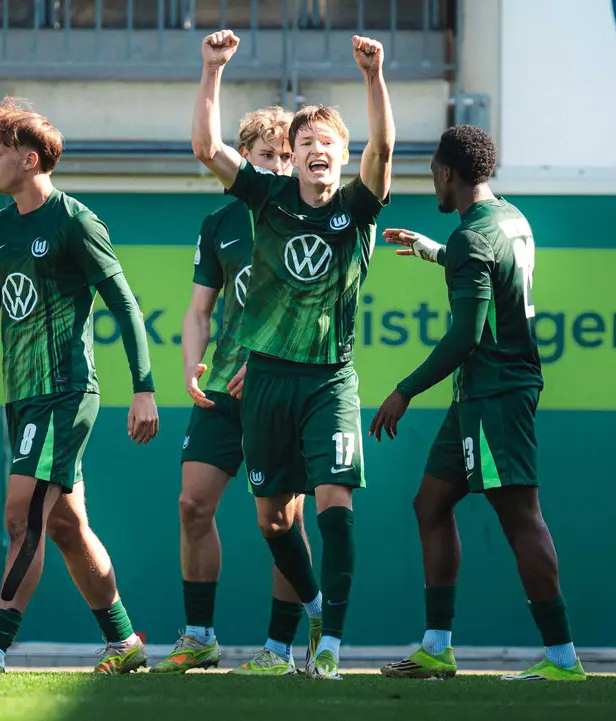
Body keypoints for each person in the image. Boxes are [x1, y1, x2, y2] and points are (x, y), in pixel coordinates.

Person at [0, 98, 159, 675]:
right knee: (66, 526)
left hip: (64, 393)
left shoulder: (74, 221)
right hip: (23, 394)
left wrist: (144, 388)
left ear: (29, 160)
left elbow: (124, 305)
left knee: (20, 517)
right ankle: (125, 643)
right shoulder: (0, 226)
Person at [190, 29, 394, 680]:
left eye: (325, 143)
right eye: (304, 143)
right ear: (294, 156)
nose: (313, 151)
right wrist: (212, 69)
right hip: (266, 381)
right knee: (274, 522)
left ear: (342, 156)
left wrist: (373, 78)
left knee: (334, 503)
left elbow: (384, 148)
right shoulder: (267, 198)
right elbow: (207, 149)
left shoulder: (358, 207)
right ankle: (312, 605)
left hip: (329, 381)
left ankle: (330, 643)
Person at [370, 124, 586, 682]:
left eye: (433, 174)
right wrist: (434, 251)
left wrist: (403, 390)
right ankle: (436, 647)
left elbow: (465, 335)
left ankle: (562, 658)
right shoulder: (510, 218)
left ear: (447, 173)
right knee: (430, 504)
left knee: (520, 518)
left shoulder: (473, 237)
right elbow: (486, 268)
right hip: (478, 394)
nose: (433, 184)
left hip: (496, 394)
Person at [151, 106, 320, 676]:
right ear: (243, 157)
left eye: (287, 156)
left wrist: (271, 365)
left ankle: (280, 648)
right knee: (192, 506)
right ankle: (199, 636)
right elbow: (199, 310)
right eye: (267, 156)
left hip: (284, 389)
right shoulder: (220, 222)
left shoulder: (310, 217)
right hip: (222, 390)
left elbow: (315, 311)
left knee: (282, 523)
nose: (278, 166)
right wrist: (191, 366)